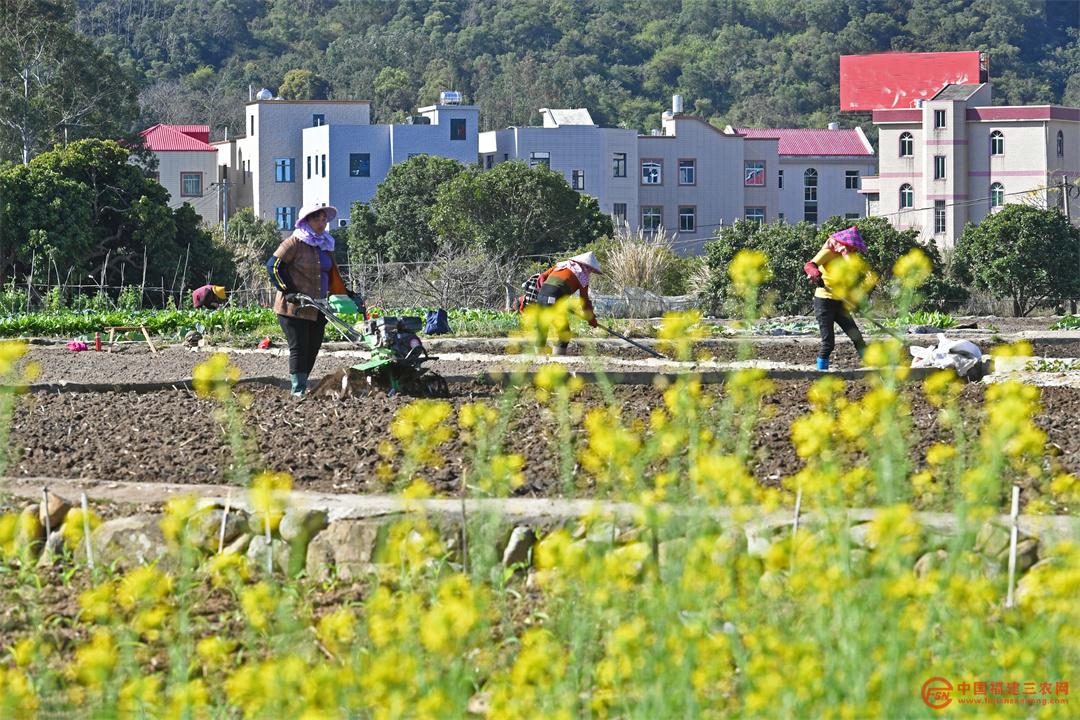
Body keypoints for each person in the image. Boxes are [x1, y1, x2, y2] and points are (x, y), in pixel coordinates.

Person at [266, 204, 352, 395]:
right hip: (294, 307)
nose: (321, 223)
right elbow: (273, 267)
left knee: (313, 348)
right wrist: (288, 290)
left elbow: (332, 274)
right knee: (299, 347)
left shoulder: (325, 244)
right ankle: (298, 390)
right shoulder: (294, 242)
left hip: (318, 307)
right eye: (316, 219)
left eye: (323, 219)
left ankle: (302, 384)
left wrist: (348, 294)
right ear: (306, 221)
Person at [804, 227, 868, 371]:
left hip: (840, 301)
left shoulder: (847, 258)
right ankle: (821, 371)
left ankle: (872, 366)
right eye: (852, 248)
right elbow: (809, 265)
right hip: (824, 301)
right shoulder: (829, 252)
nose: (854, 251)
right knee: (828, 343)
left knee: (856, 336)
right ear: (844, 244)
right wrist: (816, 275)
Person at [533, 251, 602, 354]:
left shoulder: (561, 265)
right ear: (587, 267)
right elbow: (585, 302)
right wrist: (591, 320)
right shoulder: (582, 277)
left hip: (541, 296)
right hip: (553, 298)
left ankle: (537, 359)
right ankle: (558, 360)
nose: (589, 272)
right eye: (590, 270)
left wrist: (546, 292)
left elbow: (542, 277)